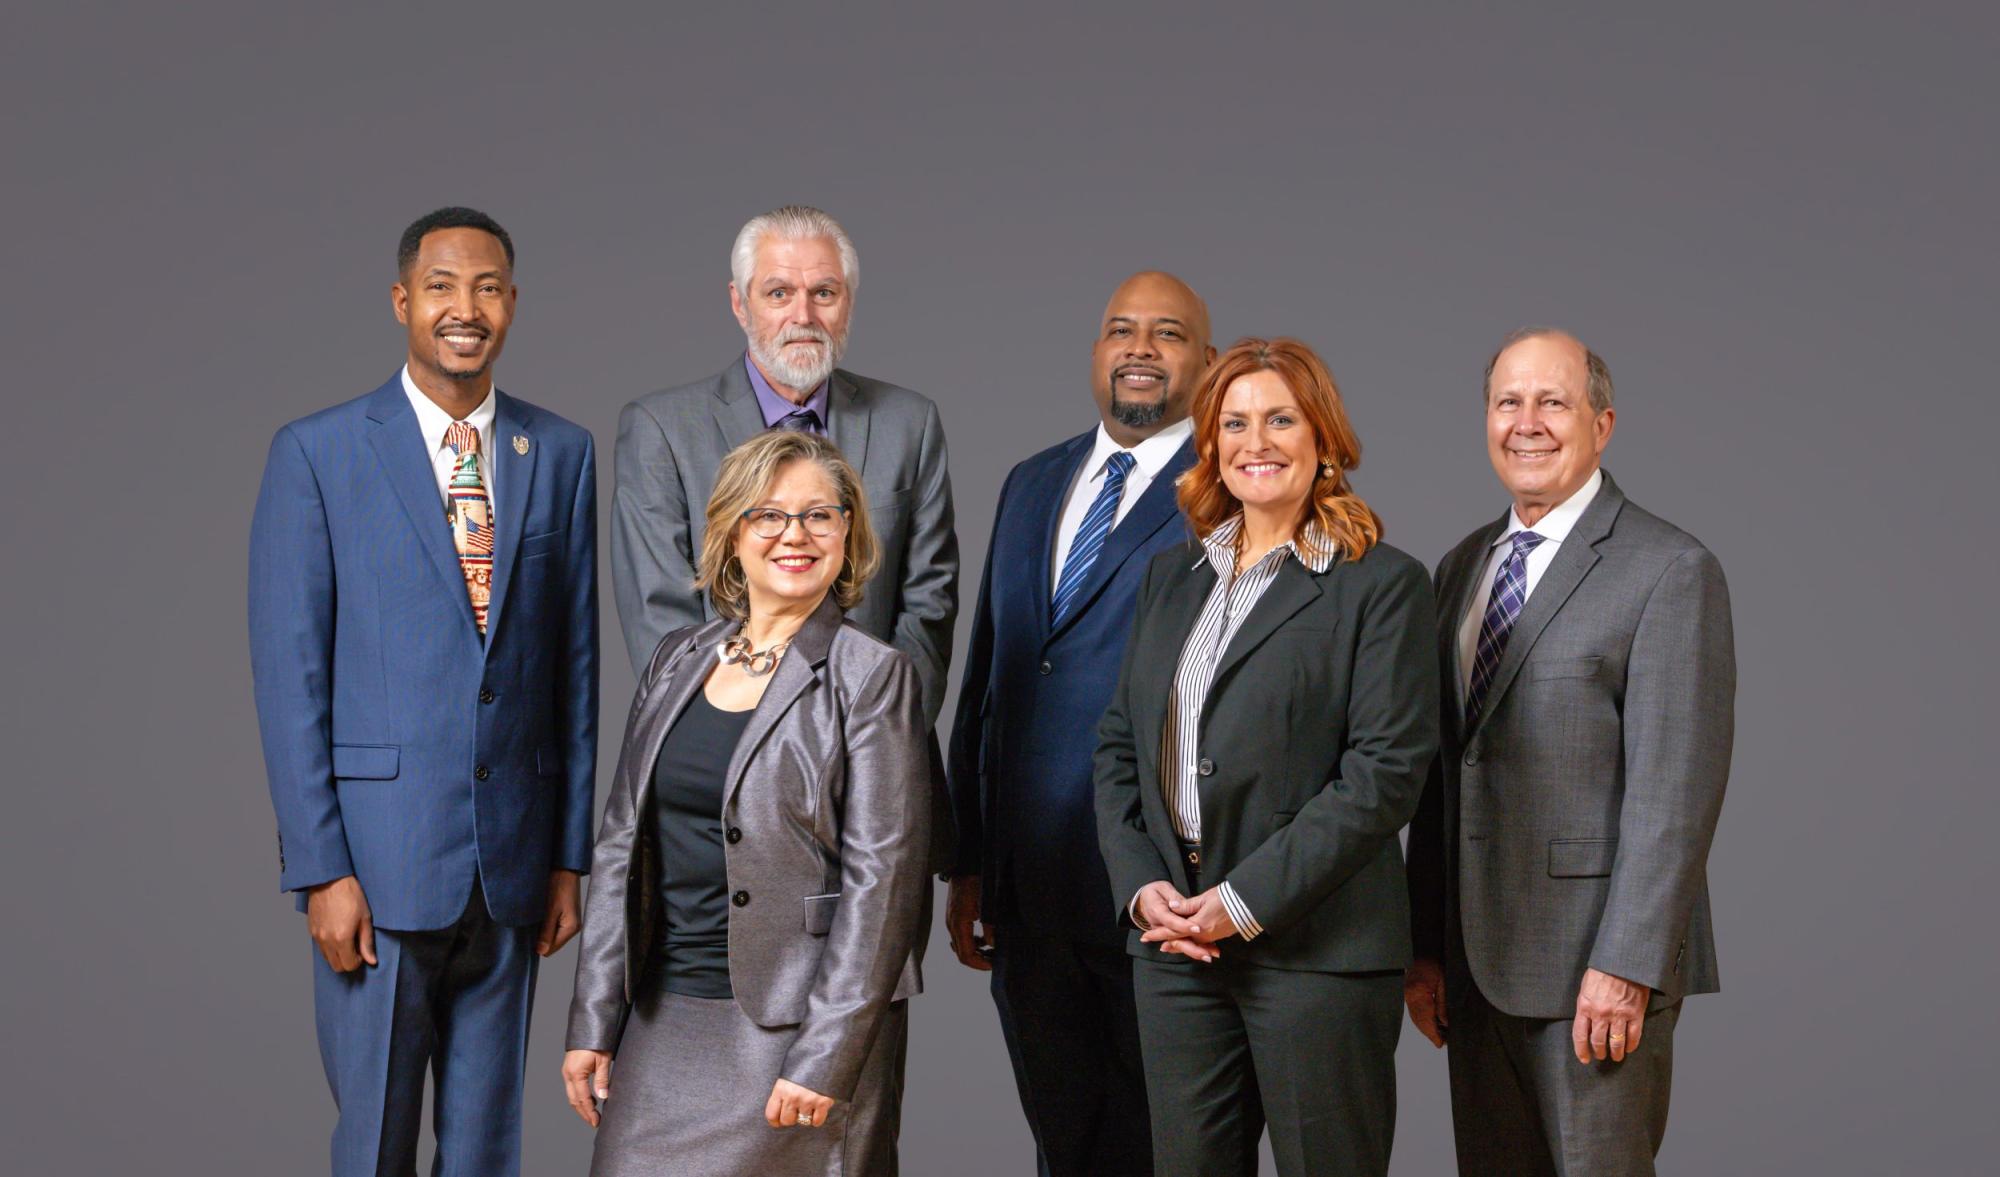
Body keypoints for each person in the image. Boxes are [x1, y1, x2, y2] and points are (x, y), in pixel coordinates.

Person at [247, 206, 597, 1175]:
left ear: (513, 305)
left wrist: (568, 854)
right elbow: (292, 680)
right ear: (403, 301)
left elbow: (572, 668)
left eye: (486, 287)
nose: (465, 307)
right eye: (442, 286)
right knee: (375, 1145)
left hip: (514, 865)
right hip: (375, 864)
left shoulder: (556, 452)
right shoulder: (317, 454)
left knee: (487, 1149)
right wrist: (320, 869)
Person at [1093, 337, 1439, 1177]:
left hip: (1318, 953)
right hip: (1176, 952)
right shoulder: (1170, 577)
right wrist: (1147, 892)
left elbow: (1382, 775)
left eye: (1281, 418)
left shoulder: (1381, 584)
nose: (1258, 441)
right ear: (1210, 442)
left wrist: (1240, 901)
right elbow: (1117, 748)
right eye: (1235, 422)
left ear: (1322, 436)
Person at [1404, 328, 1735, 1176]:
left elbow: (1674, 795)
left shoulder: (1669, 568)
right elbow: (1448, 773)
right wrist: (1427, 946)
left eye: (1553, 401)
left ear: (1603, 423)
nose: (1528, 423)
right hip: (1476, 968)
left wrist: (1625, 965)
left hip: (1593, 971)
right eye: (1507, 402)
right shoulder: (1460, 567)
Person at [564, 429, 932, 1177]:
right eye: (769, 515)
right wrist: (595, 1019)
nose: (794, 535)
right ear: (733, 534)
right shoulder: (677, 659)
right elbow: (618, 846)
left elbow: (883, 885)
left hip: (799, 1025)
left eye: (818, 515)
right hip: (664, 1014)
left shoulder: (872, 675)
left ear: (847, 534)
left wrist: (826, 1054)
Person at [944, 271, 1214, 1176]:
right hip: (1026, 889)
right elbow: (990, 675)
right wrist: (970, 858)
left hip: (1157, 888)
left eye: (1168, 333)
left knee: (1166, 1144)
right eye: (1120, 330)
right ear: (1095, 355)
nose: (1140, 347)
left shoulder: (1227, 489)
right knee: (1066, 1140)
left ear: (1207, 364)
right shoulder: (1032, 480)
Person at [609, 204, 956, 724]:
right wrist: (759, 754)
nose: (803, 316)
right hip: (728, 757)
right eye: (778, 293)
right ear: (739, 304)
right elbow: (665, 628)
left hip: (877, 749)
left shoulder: (910, 423)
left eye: (824, 293)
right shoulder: (662, 430)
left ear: (849, 303)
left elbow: (928, 611)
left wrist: (874, 738)